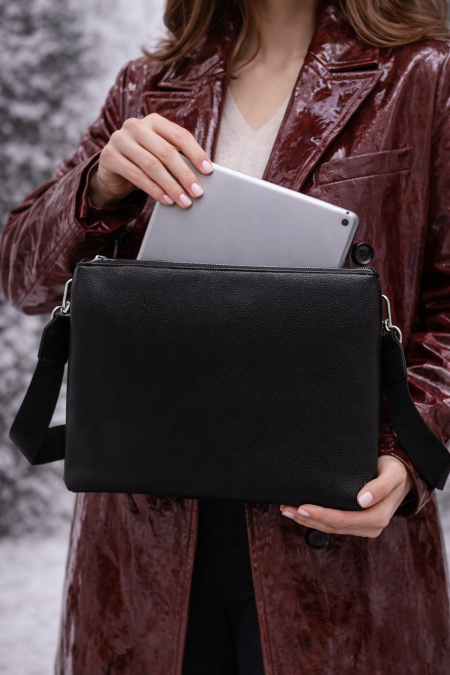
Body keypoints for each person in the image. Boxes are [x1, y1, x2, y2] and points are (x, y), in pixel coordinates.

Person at [1, 0, 450, 671]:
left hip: (335, 536)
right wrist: (98, 188)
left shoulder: (425, 77)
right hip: (145, 538)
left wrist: (407, 452)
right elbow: (22, 278)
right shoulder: (150, 84)